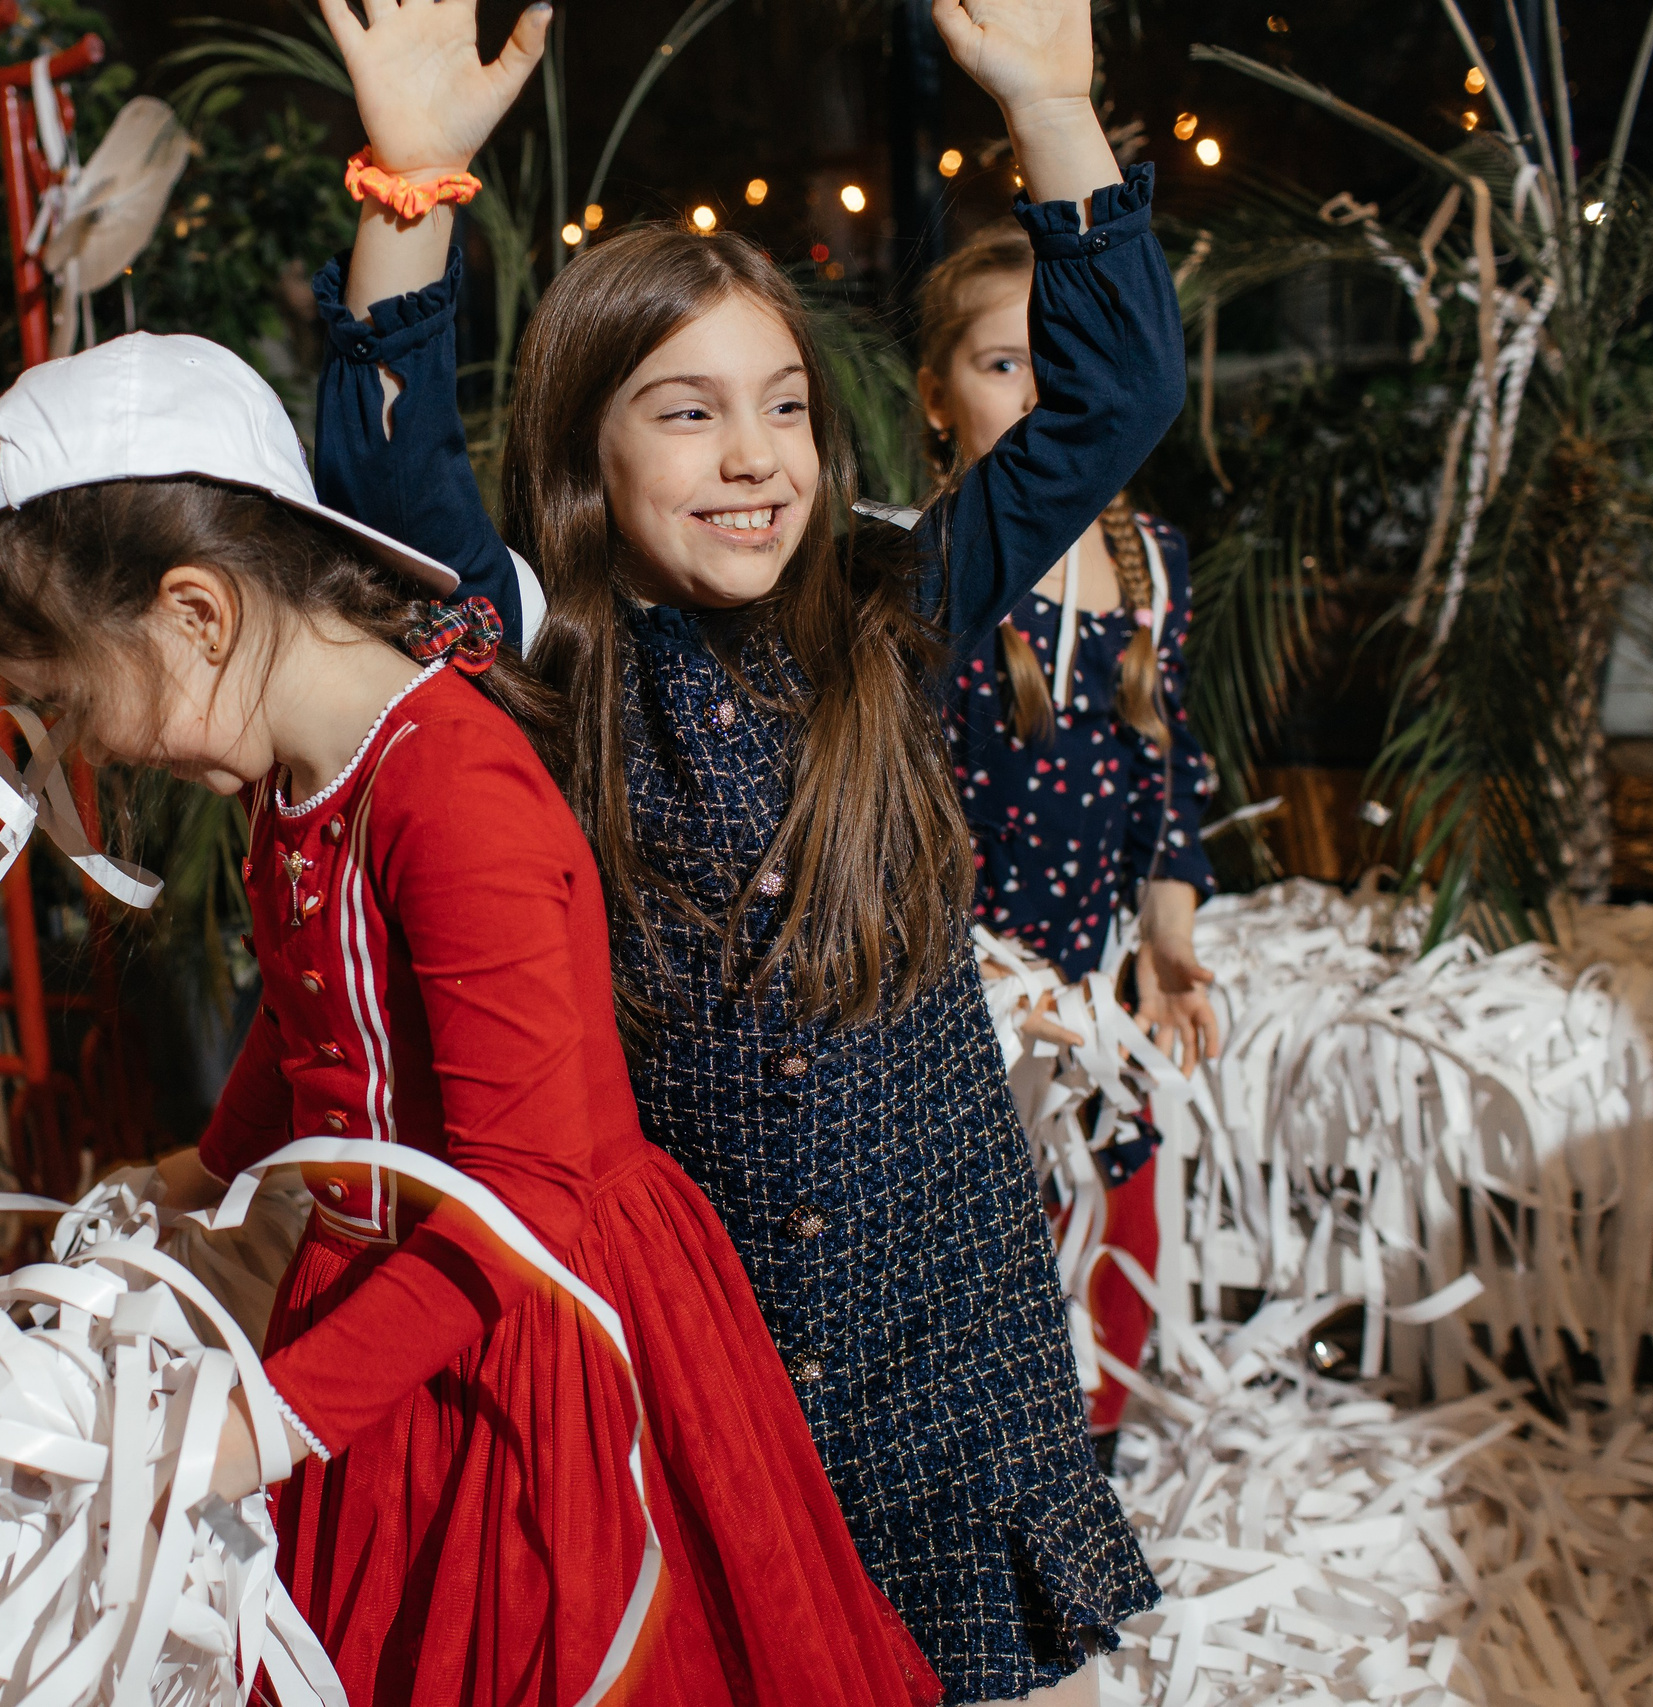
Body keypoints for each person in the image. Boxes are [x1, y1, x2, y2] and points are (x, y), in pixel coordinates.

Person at [302, 0, 1184, 1699]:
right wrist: (409, 181)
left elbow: (1118, 392)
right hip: (718, 1358)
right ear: (586, 450)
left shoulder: (892, 612)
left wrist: (1058, 110)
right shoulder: (542, 667)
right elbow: (378, 474)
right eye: (688, 413)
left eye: (780, 405)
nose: (756, 455)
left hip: (943, 1330)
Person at [0, 331, 942, 1707]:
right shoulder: (290, 776)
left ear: (196, 614)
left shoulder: (448, 788)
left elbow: (525, 1198)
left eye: (64, 697)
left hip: (520, 1322)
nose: (81, 743)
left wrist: (256, 1423)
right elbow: (314, 1024)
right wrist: (203, 1170)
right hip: (386, 1298)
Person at [917, 226, 1221, 1467]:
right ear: (933, 396)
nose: (1044, 395)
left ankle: (1084, 1474)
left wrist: (1169, 943)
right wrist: (993, 985)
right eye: (1004, 364)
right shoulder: (938, 570)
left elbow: (1170, 779)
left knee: (1111, 1229)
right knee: (974, 1263)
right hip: (966, 1006)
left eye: (1068, 362)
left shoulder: (1152, 564)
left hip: (1095, 998)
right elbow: (900, 819)